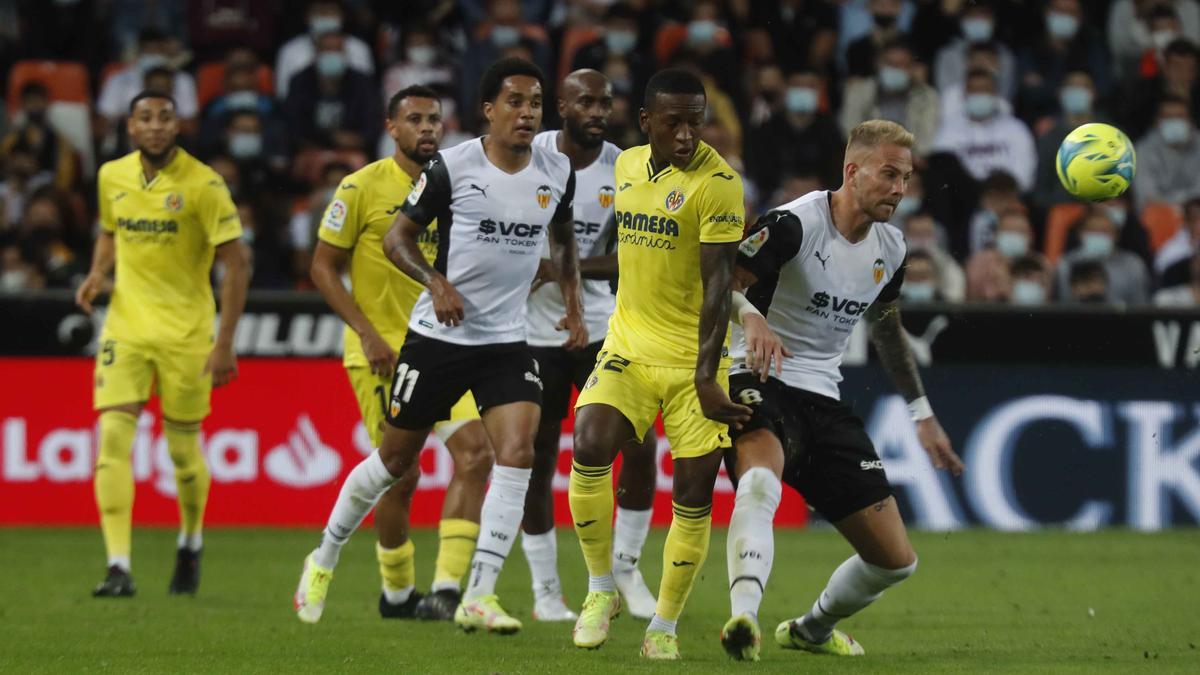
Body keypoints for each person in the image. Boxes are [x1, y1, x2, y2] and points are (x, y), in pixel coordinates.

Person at [293, 58, 585, 635]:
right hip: (438, 338)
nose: (527, 114)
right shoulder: (453, 167)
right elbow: (395, 237)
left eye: (535, 104)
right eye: (515, 103)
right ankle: (324, 555)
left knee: (516, 453)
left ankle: (478, 592)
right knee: (394, 464)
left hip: (505, 339)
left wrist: (572, 303)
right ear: (487, 110)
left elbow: (564, 235)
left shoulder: (558, 170)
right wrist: (435, 281)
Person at [718, 120, 964, 661]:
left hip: (823, 400)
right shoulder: (791, 225)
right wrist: (753, 315)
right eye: (889, 174)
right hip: (757, 377)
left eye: (907, 178)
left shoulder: (892, 249)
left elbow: (885, 326)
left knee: (896, 561)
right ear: (853, 171)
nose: (900, 189)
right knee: (759, 484)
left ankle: (811, 629)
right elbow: (720, 286)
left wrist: (922, 413)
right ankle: (744, 618)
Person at [568, 68, 749, 660]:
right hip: (629, 347)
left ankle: (663, 627)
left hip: (696, 360)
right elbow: (628, 250)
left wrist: (705, 376)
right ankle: (600, 589)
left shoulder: (719, 183)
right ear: (646, 122)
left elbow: (719, 284)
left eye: (696, 120)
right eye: (673, 121)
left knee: (694, 492)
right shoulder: (625, 168)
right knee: (590, 443)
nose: (687, 133)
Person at [307, 85, 494, 621]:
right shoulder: (361, 186)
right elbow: (323, 267)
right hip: (383, 352)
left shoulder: (462, 183)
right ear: (392, 128)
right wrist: (365, 333)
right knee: (400, 472)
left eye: (435, 118)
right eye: (415, 119)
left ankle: (448, 589)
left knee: (477, 454)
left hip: (448, 347)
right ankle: (396, 593)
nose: (428, 128)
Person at [75, 90, 251, 597]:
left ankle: (191, 541)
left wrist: (226, 342)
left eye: (165, 118)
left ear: (178, 126)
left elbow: (237, 263)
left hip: (187, 335)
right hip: (126, 329)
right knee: (111, 442)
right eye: (145, 118)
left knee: (180, 451)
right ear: (130, 126)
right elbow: (110, 230)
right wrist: (97, 272)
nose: (155, 126)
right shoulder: (112, 175)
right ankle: (117, 566)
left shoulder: (204, 184)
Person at [522, 70, 658, 622]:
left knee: (641, 444)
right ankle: (545, 589)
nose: (599, 110)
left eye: (606, 101)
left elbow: (636, 255)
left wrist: (557, 270)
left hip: (604, 324)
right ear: (561, 106)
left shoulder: (626, 167)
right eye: (587, 101)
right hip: (529, 331)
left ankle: (625, 565)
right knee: (535, 458)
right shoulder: (524, 155)